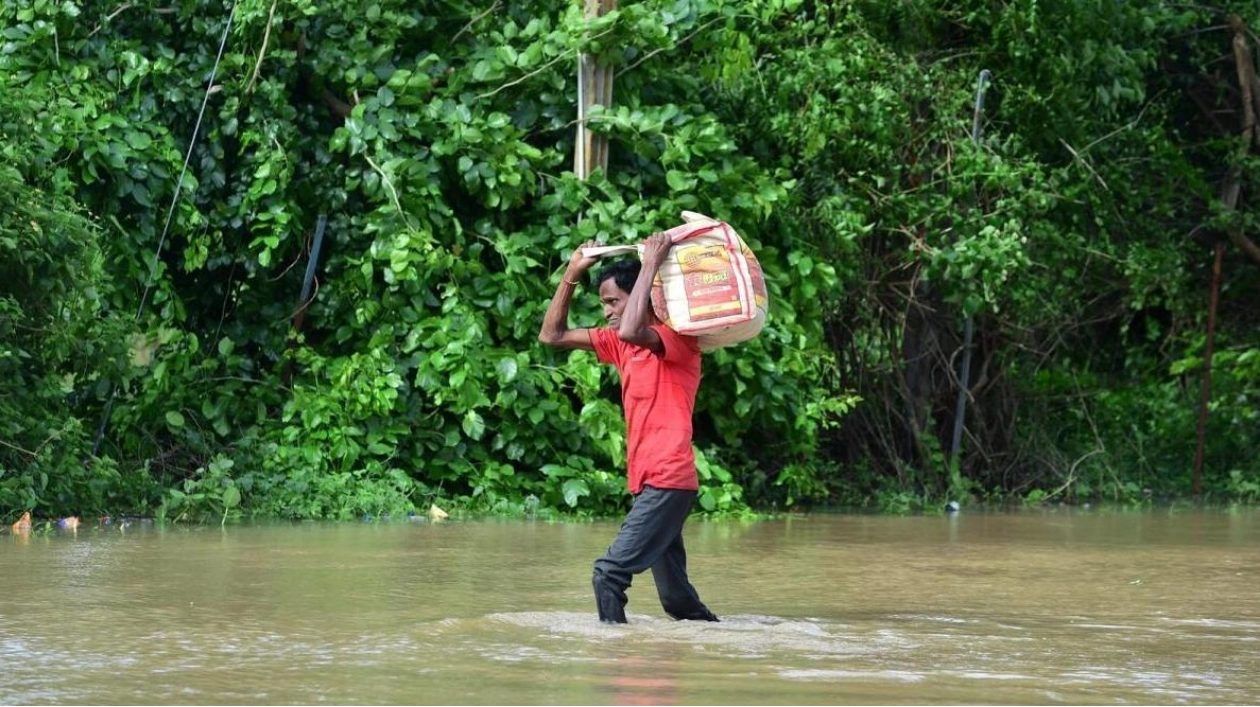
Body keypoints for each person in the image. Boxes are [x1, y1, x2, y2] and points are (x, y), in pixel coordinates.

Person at [538, 232, 719, 624]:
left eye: (612, 302)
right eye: (604, 303)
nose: (606, 312)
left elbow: (634, 329)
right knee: (678, 603)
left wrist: (651, 265)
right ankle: (726, 649)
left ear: (640, 294)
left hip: (668, 479)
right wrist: (571, 274)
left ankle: (613, 655)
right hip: (649, 483)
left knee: (608, 574)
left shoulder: (678, 340)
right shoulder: (622, 346)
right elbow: (551, 335)